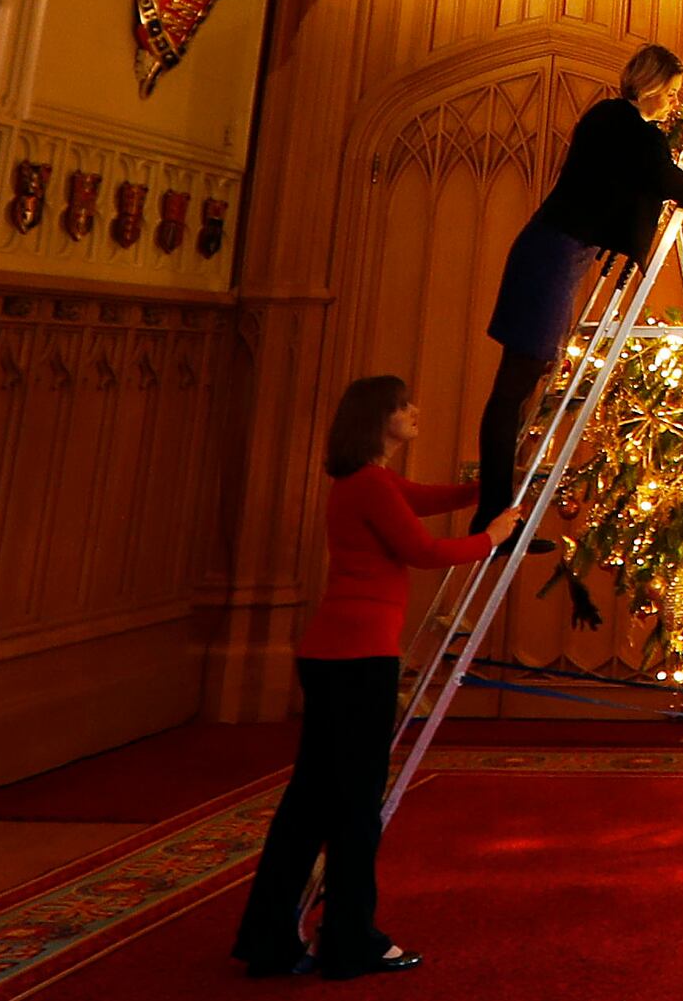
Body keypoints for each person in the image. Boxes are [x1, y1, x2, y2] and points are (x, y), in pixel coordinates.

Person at [233, 375, 492, 980]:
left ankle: (268, 937)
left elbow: (426, 497)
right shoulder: (371, 484)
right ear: (380, 418)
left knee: (310, 804)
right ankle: (351, 939)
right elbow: (423, 551)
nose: (415, 411)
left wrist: (491, 493)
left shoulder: (366, 482)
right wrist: (494, 537)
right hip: (358, 662)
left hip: (332, 657)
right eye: (405, 405)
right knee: (353, 808)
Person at [472, 47, 683, 532]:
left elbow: (643, 174)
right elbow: (673, 184)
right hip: (551, 256)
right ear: (652, 84)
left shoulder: (614, 121)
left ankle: (496, 516)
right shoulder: (626, 127)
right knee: (515, 386)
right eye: (673, 93)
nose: (675, 103)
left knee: (519, 386)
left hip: (554, 252)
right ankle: (493, 518)